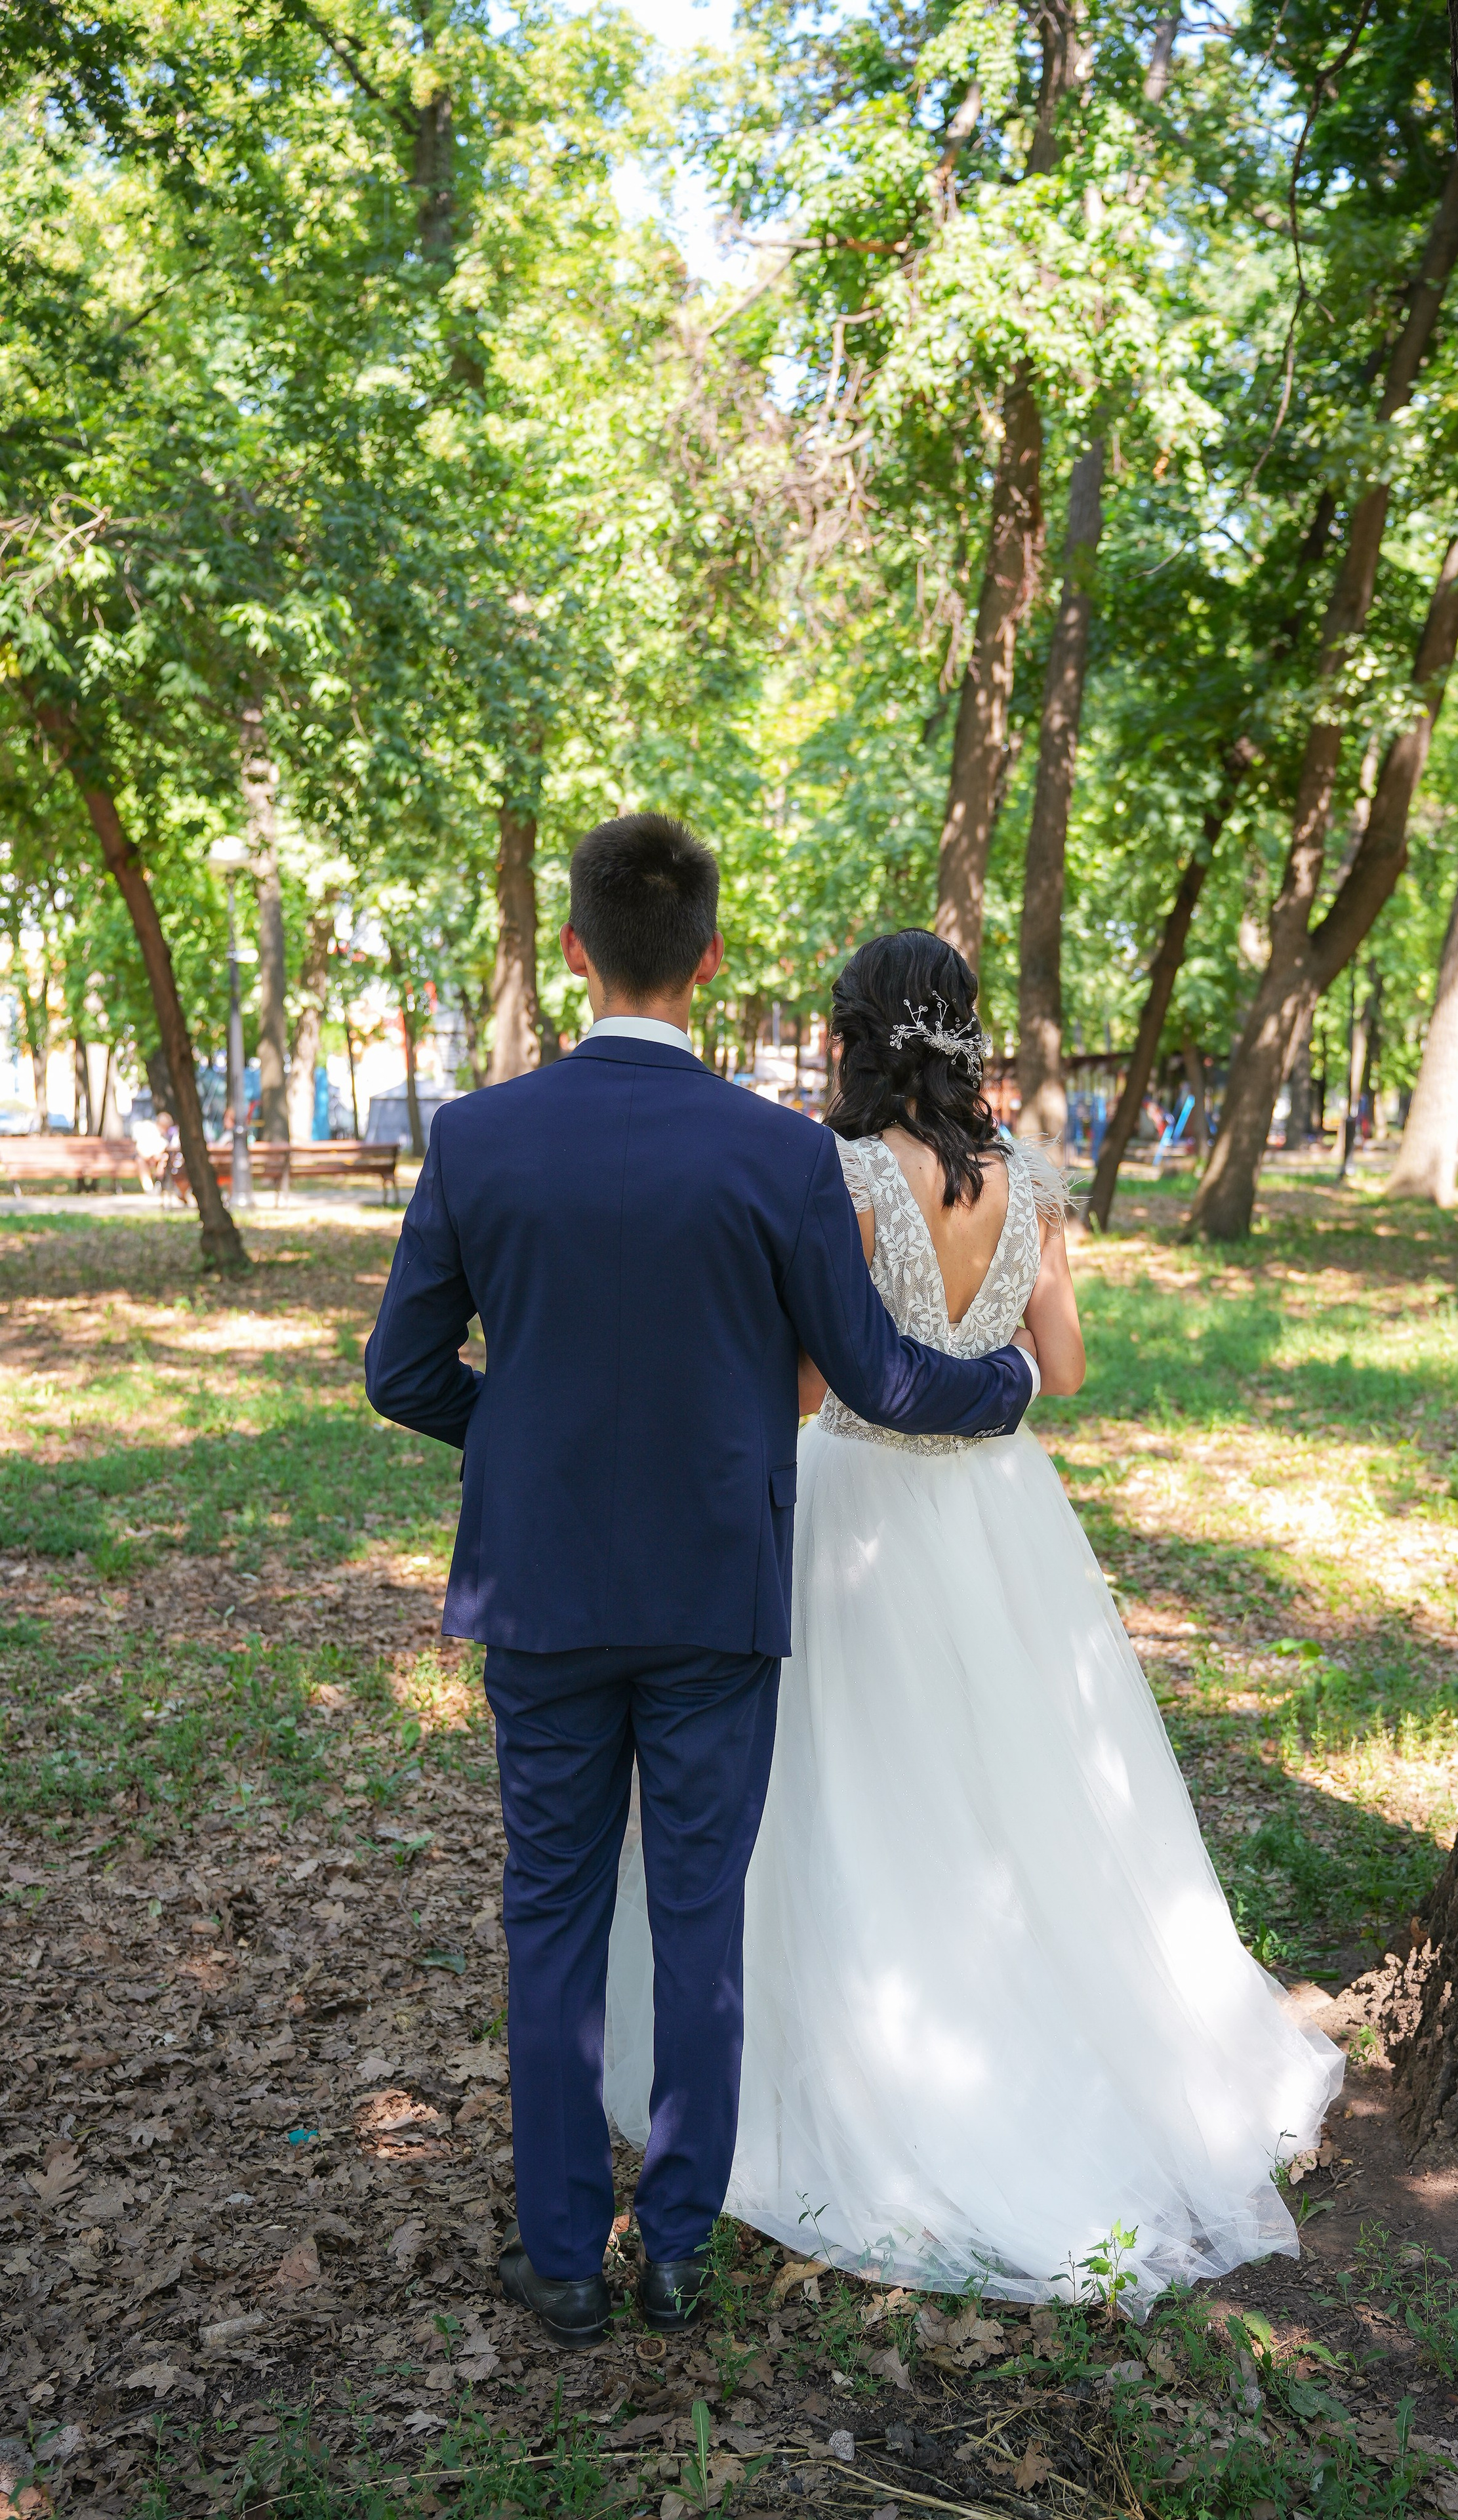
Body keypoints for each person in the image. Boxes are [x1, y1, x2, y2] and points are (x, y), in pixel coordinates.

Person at [363, 820, 1038, 2349]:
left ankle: (557, 2262)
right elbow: (871, 1372)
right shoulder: (779, 1152)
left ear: (577, 953)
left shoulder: (476, 1136)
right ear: (710, 960)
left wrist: (521, 1440)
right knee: (697, 1916)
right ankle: (673, 2251)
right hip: (716, 1589)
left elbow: (401, 1372)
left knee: (548, 1914)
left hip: (541, 1595)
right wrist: (999, 1385)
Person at [603, 928, 1343, 2308]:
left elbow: (817, 1389)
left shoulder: (837, 1177)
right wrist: (975, 1355)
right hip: (999, 1508)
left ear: (854, 1035)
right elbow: (1058, 1364)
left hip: (858, 1510)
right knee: (1027, 1787)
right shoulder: (1025, 1180)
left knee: (849, 1790)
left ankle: (861, 2068)